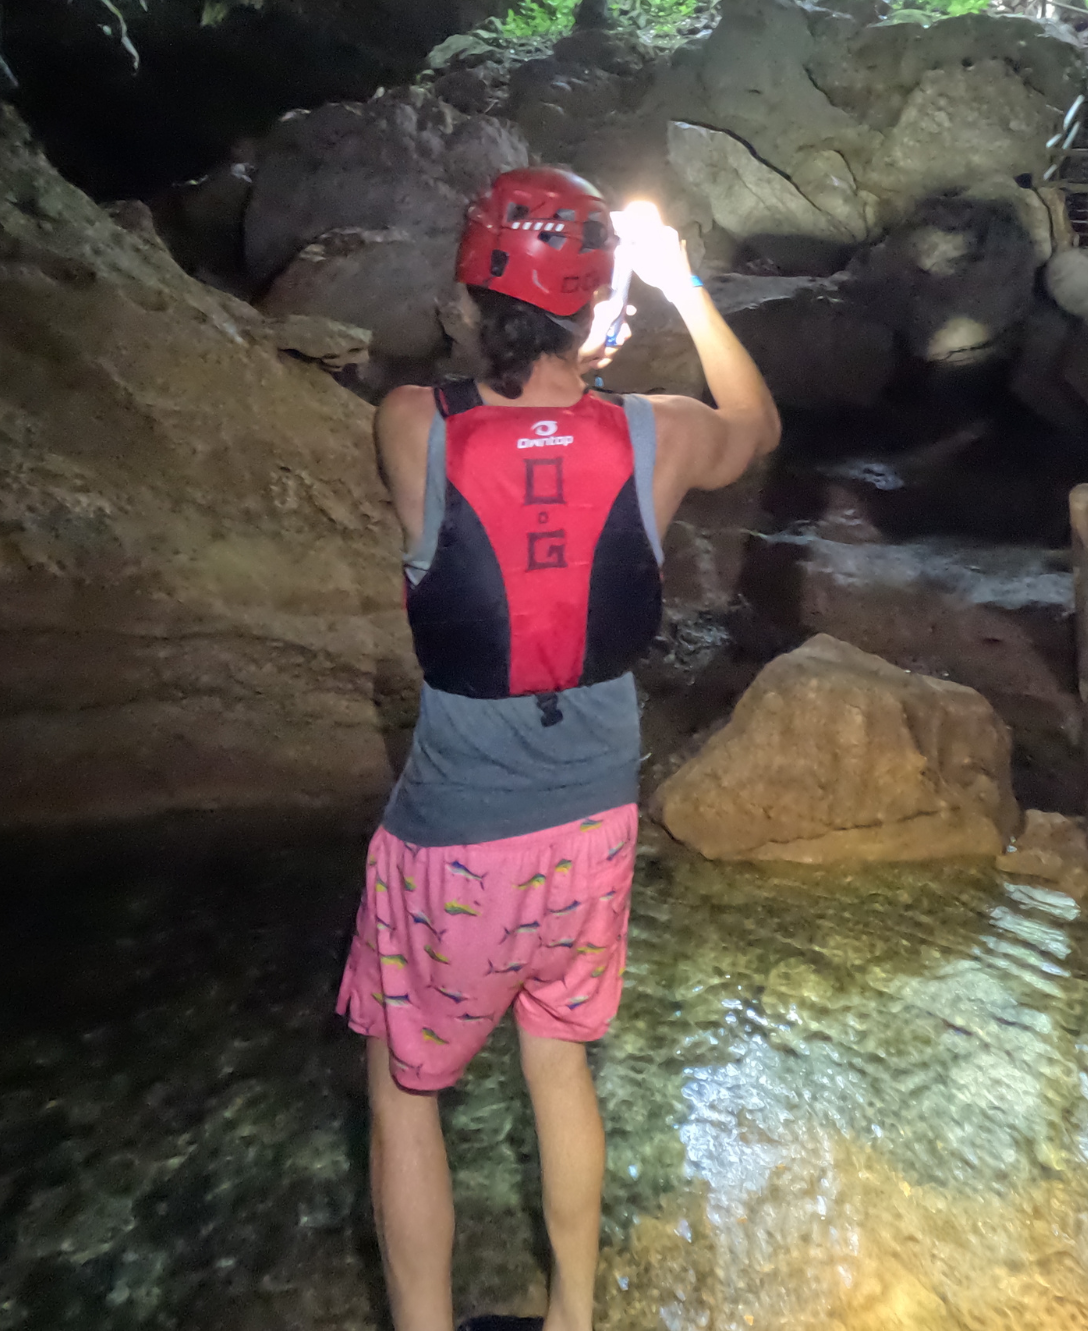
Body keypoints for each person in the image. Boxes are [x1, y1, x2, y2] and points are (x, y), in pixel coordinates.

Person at [338, 166, 781, 1331]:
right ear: (595, 304)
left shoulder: (410, 428)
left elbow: (492, 414)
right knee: (556, 1061)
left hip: (452, 838)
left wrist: (544, 354)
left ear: (470, 299)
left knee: (403, 1092)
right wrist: (682, 286)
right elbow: (757, 425)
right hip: (592, 827)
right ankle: (573, 1317)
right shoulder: (660, 433)